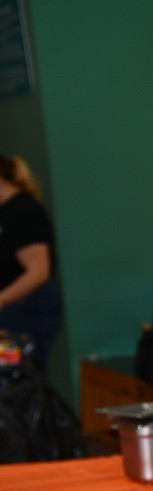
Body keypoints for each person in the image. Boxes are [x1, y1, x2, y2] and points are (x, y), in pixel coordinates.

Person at [0, 154, 63, 376]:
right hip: (12, 309)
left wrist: (1, 300)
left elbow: (38, 272)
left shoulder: (24, 211)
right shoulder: (5, 212)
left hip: (26, 311)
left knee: (23, 382)